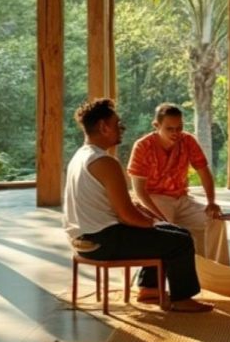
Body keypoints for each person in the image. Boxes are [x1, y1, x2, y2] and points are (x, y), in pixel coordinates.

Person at [62, 98, 213, 313]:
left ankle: (148, 288)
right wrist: (152, 223)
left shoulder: (80, 156)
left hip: (82, 239)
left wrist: (153, 223)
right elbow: (127, 216)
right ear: (104, 127)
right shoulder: (105, 162)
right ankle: (182, 298)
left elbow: (115, 205)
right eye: (117, 124)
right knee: (180, 240)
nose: (121, 128)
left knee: (168, 232)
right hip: (102, 241)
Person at [127, 103, 230, 265]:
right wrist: (159, 217)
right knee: (167, 231)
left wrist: (211, 202)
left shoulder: (188, 140)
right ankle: (170, 275)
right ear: (157, 125)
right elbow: (139, 191)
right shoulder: (143, 146)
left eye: (179, 128)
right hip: (154, 199)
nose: (176, 133)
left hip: (181, 198)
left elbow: (204, 172)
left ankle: (216, 271)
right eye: (170, 129)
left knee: (215, 219)